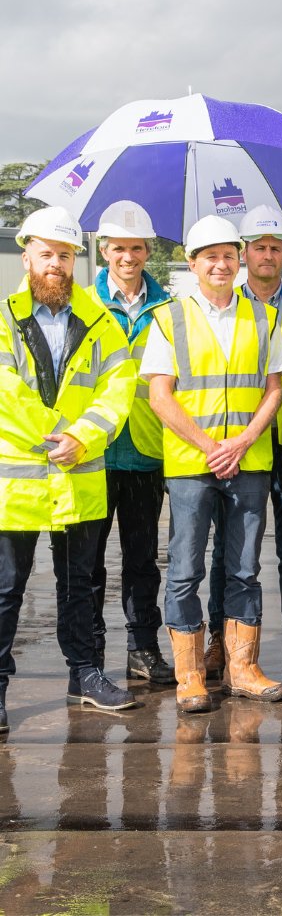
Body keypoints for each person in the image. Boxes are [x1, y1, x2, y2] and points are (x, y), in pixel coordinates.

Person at [142, 215, 282, 712]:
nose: (221, 264)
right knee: (185, 570)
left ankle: (241, 668)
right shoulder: (169, 318)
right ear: (193, 263)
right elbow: (160, 396)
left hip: (248, 461)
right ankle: (189, 674)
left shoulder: (264, 317)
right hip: (191, 464)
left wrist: (243, 442)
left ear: (239, 259)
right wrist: (211, 446)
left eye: (229, 255)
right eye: (211, 257)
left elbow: (274, 390)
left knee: (245, 569)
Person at [0, 207, 137, 726]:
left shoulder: (100, 323)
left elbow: (118, 387)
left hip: (80, 473)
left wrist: (82, 435)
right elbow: (5, 388)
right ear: (27, 253)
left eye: (64, 255)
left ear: (75, 259)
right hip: (18, 478)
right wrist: (55, 431)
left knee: (80, 582)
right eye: (46, 254)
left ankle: (86, 675)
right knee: (6, 587)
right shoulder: (4, 317)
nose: (55, 264)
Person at [203, 205, 282, 680]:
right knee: (230, 549)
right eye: (259, 247)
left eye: (276, 247)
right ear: (244, 253)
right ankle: (221, 637)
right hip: (241, 444)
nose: (267, 255)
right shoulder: (223, 304)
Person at [90, 201, 174, 685]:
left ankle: (142, 650)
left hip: (145, 449)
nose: (128, 256)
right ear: (104, 251)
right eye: (119, 248)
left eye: (136, 248)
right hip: (95, 451)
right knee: (88, 563)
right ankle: (92, 654)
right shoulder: (85, 304)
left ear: (148, 251)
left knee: (142, 561)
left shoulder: (168, 308)